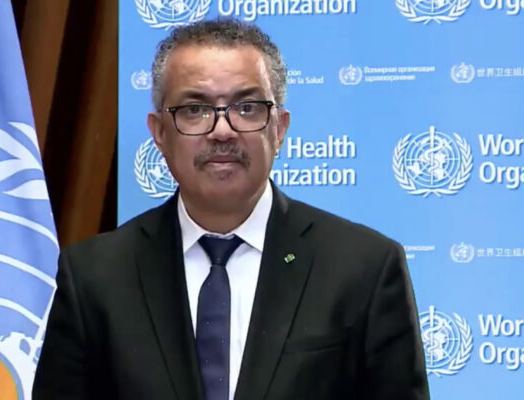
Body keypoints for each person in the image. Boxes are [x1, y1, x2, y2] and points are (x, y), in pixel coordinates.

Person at [33, 19, 429, 400]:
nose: (222, 130)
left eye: (247, 107)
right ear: (159, 133)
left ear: (279, 128)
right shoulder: (94, 278)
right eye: (195, 110)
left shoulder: (365, 269)